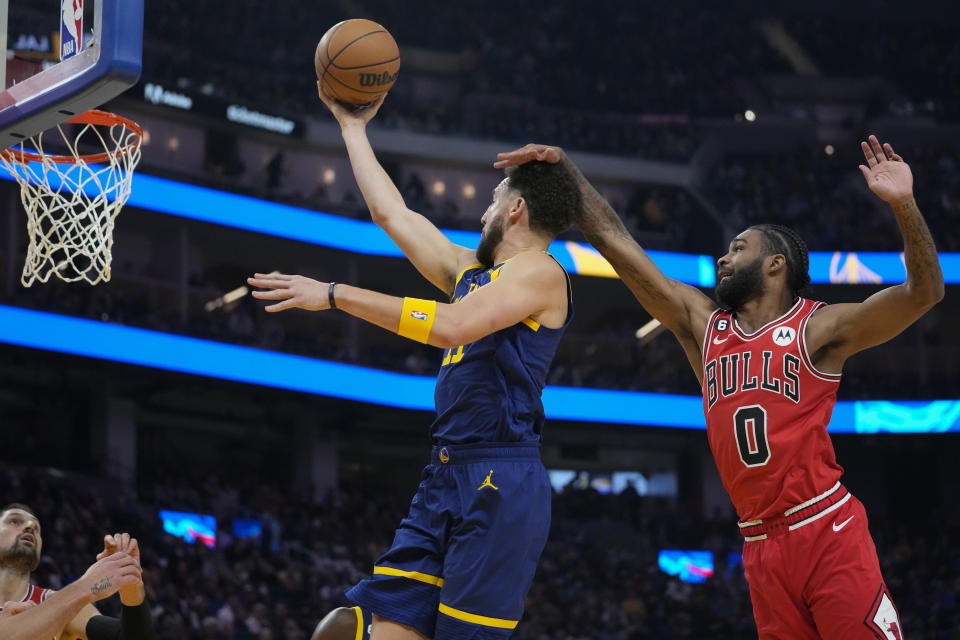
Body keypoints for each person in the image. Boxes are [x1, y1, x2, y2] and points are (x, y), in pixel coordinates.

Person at [494, 136, 943, 639]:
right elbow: (616, 241)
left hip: (824, 528)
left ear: (776, 265)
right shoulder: (705, 327)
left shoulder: (818, 328)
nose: (724, 259)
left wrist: (904, 205)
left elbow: (923, 293)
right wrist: (567, 169)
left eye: (738, 248)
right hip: (758, 545)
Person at [248, 86, 582, 640]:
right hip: (445, 471)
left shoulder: (541, 273)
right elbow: (389, 211)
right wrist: (352, 127)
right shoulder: (469, 272)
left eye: (495, 199)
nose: (484, 210)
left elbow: (452, 327)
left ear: (517, 209)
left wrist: (334, 294)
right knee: (362, 628)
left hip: (500, 479)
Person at [0, 503, 157, 640]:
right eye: (14, 521)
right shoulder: (68, 602)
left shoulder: (58, 605)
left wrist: (129, 580)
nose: (30, 527)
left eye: (36, 528)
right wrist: (85, 585)